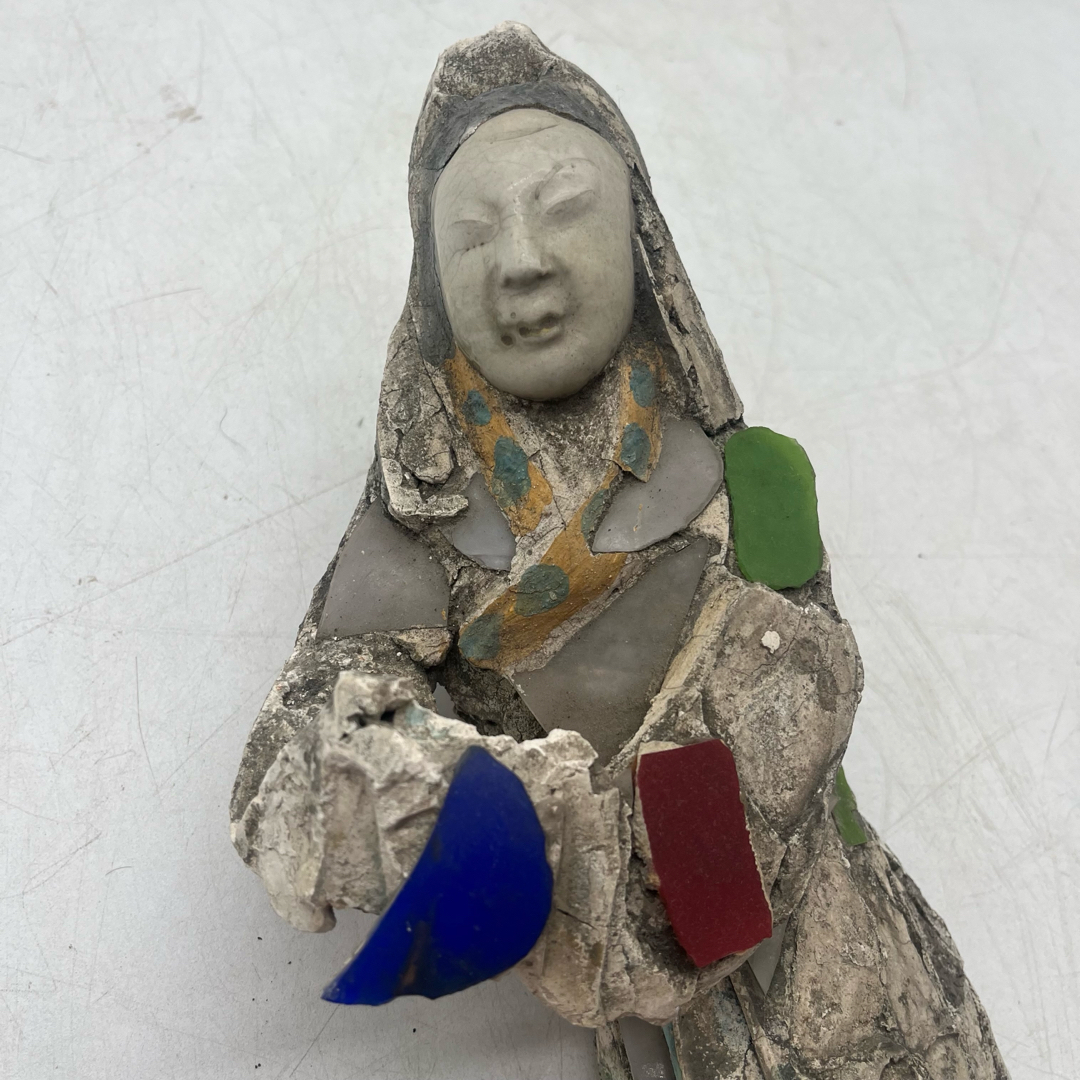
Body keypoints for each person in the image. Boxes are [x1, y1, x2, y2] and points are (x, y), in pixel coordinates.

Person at [230, 23, 1008, 1080]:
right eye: (473, 235)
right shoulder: (418, 535)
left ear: (638, 236)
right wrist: (391, 785)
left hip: (838, 964)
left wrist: (557, 848)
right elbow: (301, 747)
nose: (523, 262)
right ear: (432, 285)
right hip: (639, 1030)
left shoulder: (755, 482)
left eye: (564, 210)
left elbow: (784, 726)